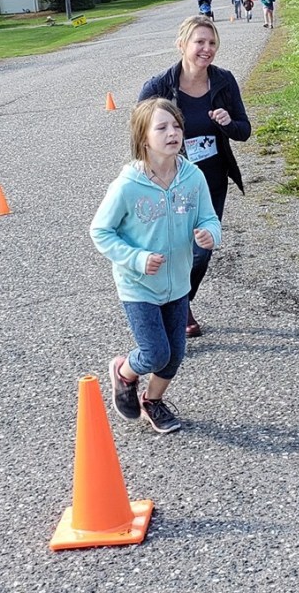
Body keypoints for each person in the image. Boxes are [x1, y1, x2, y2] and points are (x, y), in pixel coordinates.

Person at [90, 97, 221, 434]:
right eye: (161, 127)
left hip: (177, 283)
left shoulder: (192, 177)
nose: (172, 133)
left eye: (176, 126)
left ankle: (152, 401)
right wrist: (136, 258)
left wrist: (210, 233)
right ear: (143, 138)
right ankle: (124, 373)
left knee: (174, 355)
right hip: (138, 285)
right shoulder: (127, 186)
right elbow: (100, 231)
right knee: (155, 353)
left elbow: (209, 217)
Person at [138, 15, 251, 337]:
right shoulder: (158, 87)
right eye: (199, 42)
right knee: (176, 248)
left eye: (212, 42)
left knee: (202, 250)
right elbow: (140, 135)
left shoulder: (224, 81)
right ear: (182, 45)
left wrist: (228, 123)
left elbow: (244, 131)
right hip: (171, 183)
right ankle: (176, 309)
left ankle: (178, 302)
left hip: (211, 181)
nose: (207, 48)